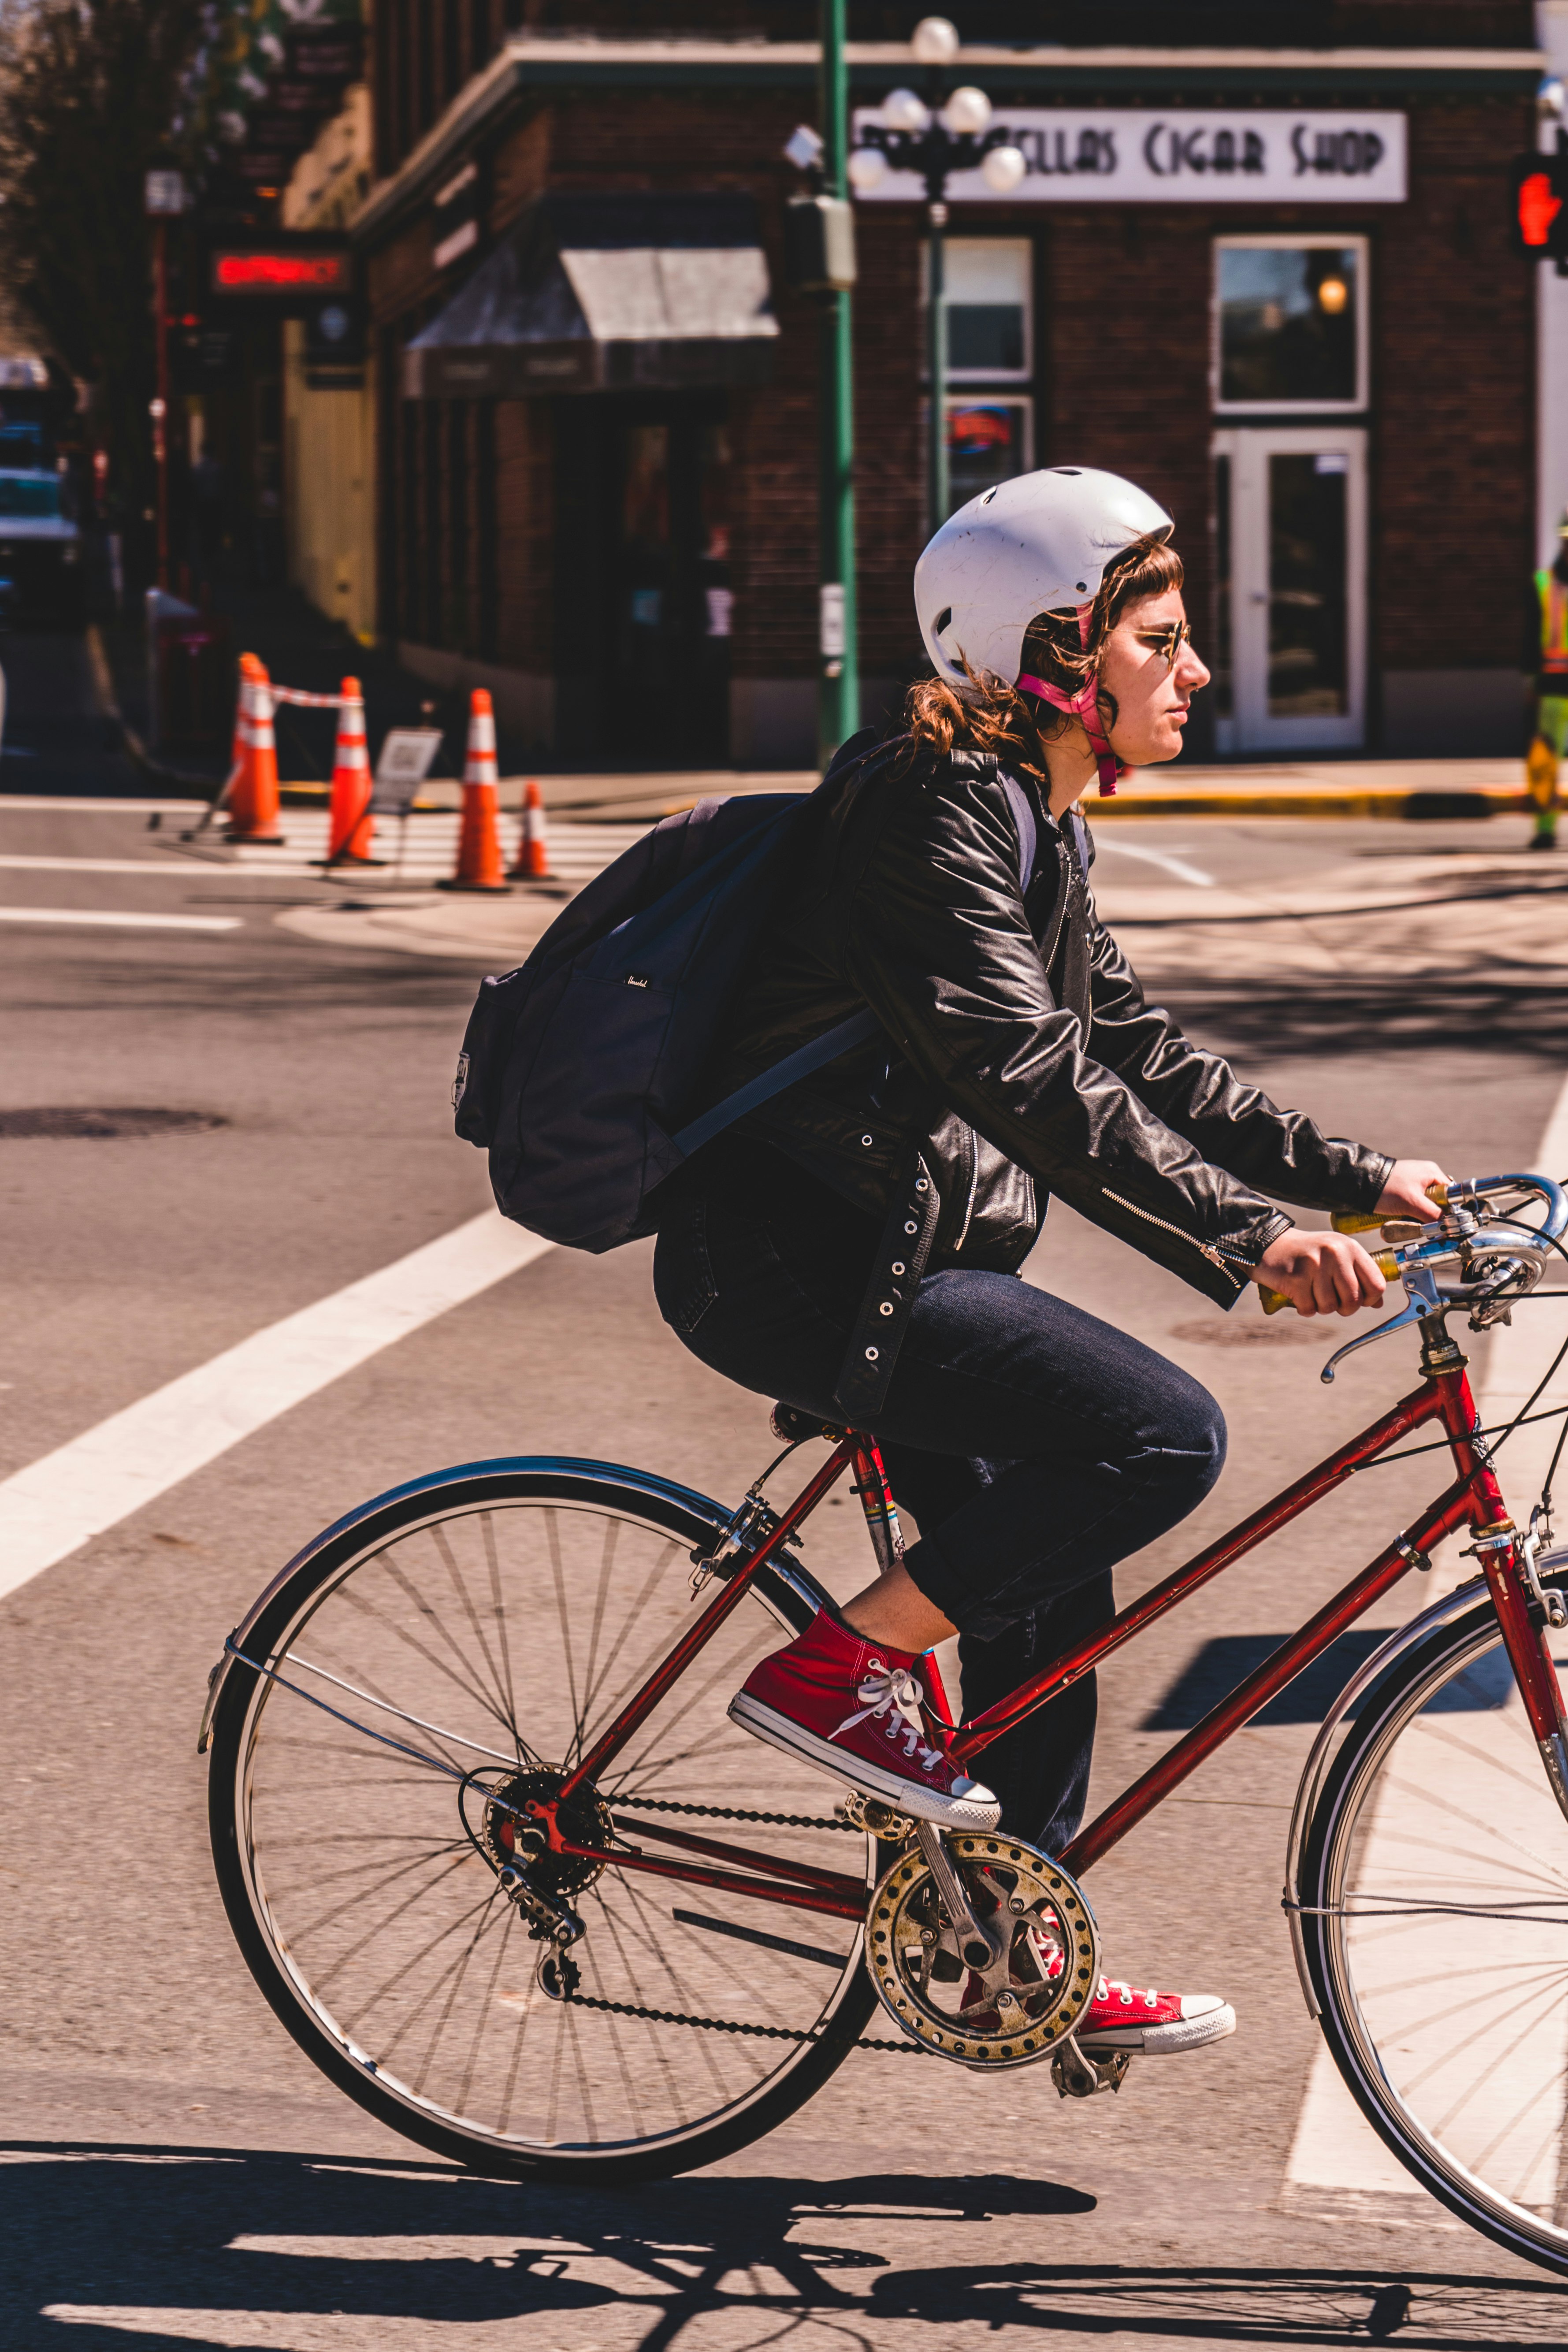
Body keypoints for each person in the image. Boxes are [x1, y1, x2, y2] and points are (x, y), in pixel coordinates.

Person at [652, 467, 1446, 2058]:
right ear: (1055, 651)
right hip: (799, 1267)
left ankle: (1028, 1964)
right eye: (1160, 638)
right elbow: (1019, 1067)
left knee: (1044, 1603)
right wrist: (1246, 1239)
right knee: (1164, 1435)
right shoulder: (924, 809)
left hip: (892, 1257)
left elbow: (1133, 1049)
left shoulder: (1025, 810)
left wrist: (1359, 1183)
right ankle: (838, 1668)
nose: (1197, 672)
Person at [1528, 514, 1568, 850]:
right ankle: (1545, 828)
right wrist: (1529, 680)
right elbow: (1530, 638)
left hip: (1555, 686)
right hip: (1554, 687)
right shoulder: (1544, 583)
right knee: (1546, 762)